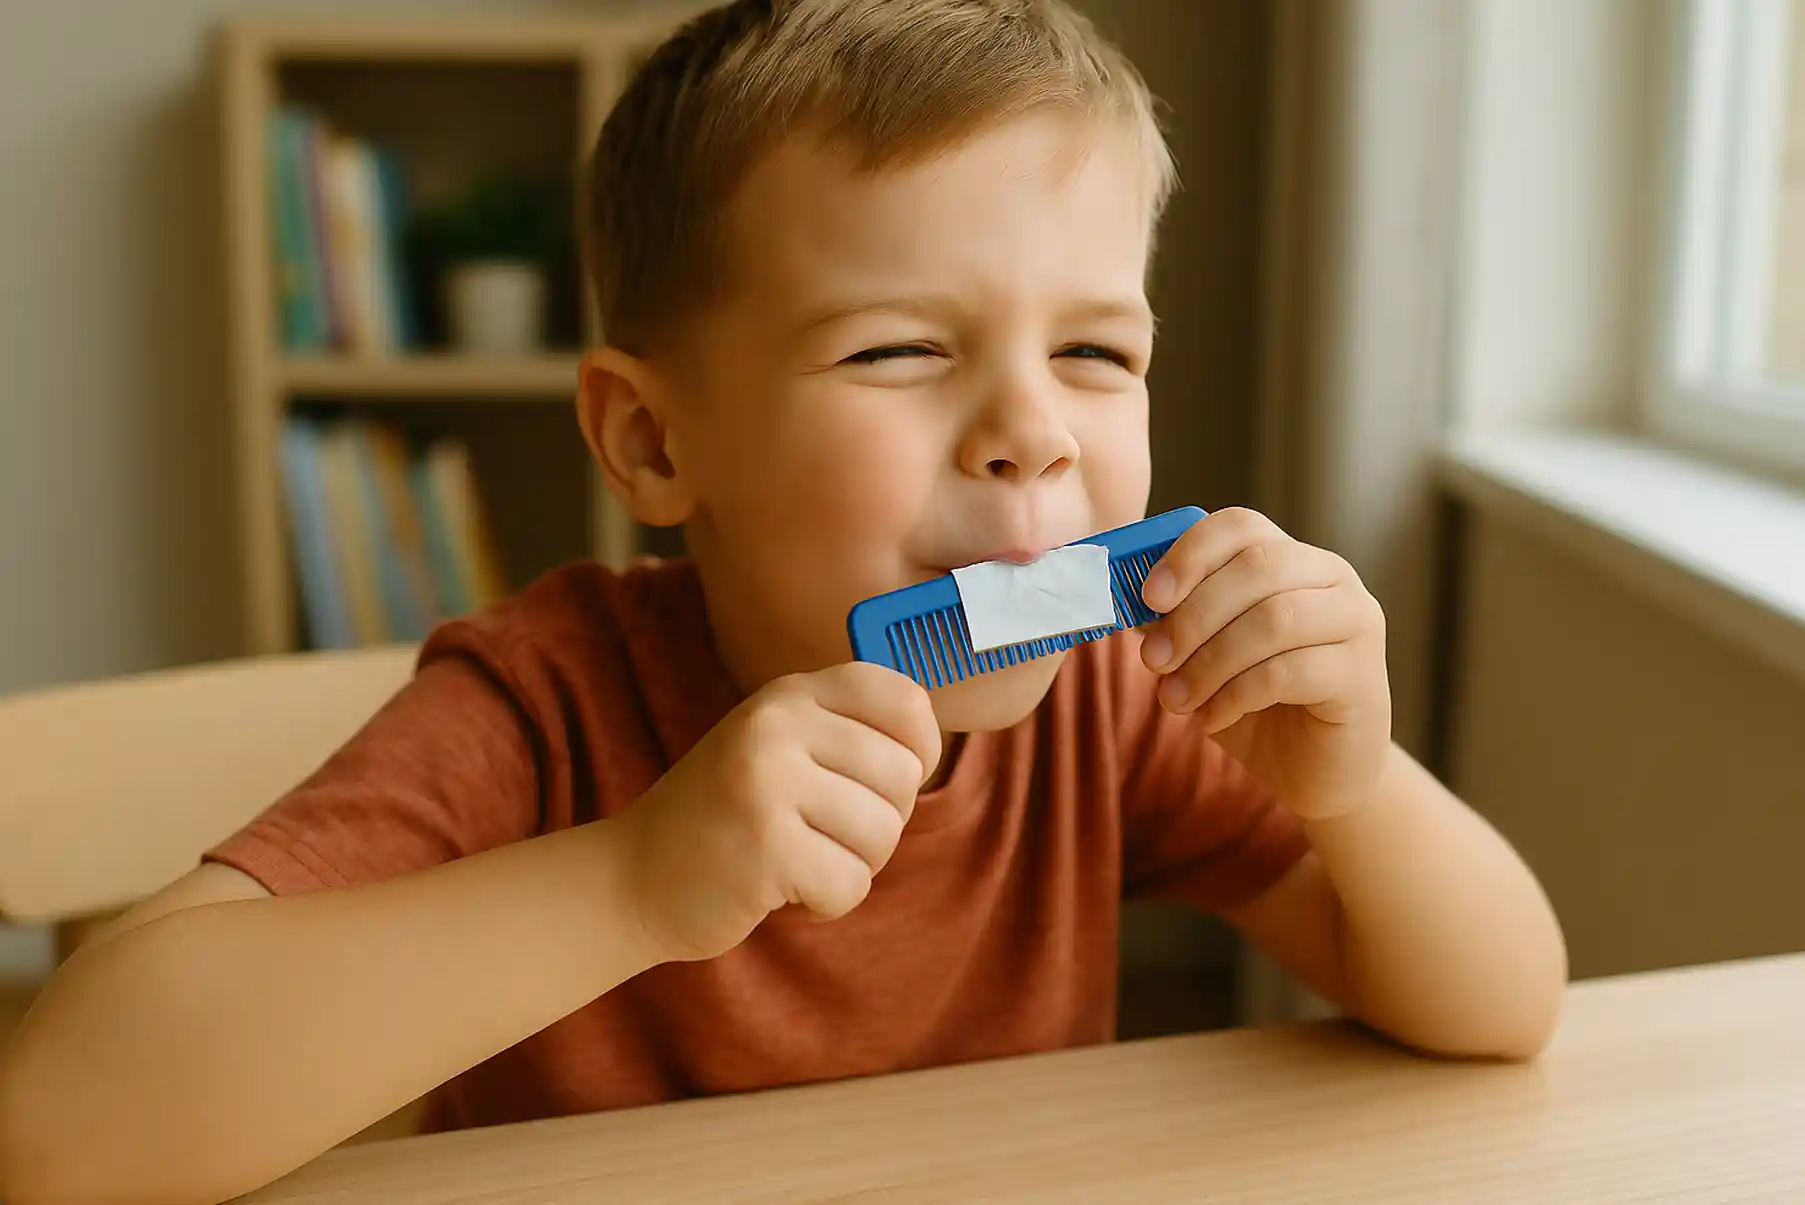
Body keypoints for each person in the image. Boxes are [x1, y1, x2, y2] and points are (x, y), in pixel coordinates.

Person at [0, 3, 1566, 1203]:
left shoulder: (1104, 703)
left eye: (1096, 351)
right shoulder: (541, 708)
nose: (1034, 431)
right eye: (898, 350)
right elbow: (57, 1131)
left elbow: (1504, 1007)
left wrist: (1354, 788)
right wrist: (634, 882)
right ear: (652, 441)